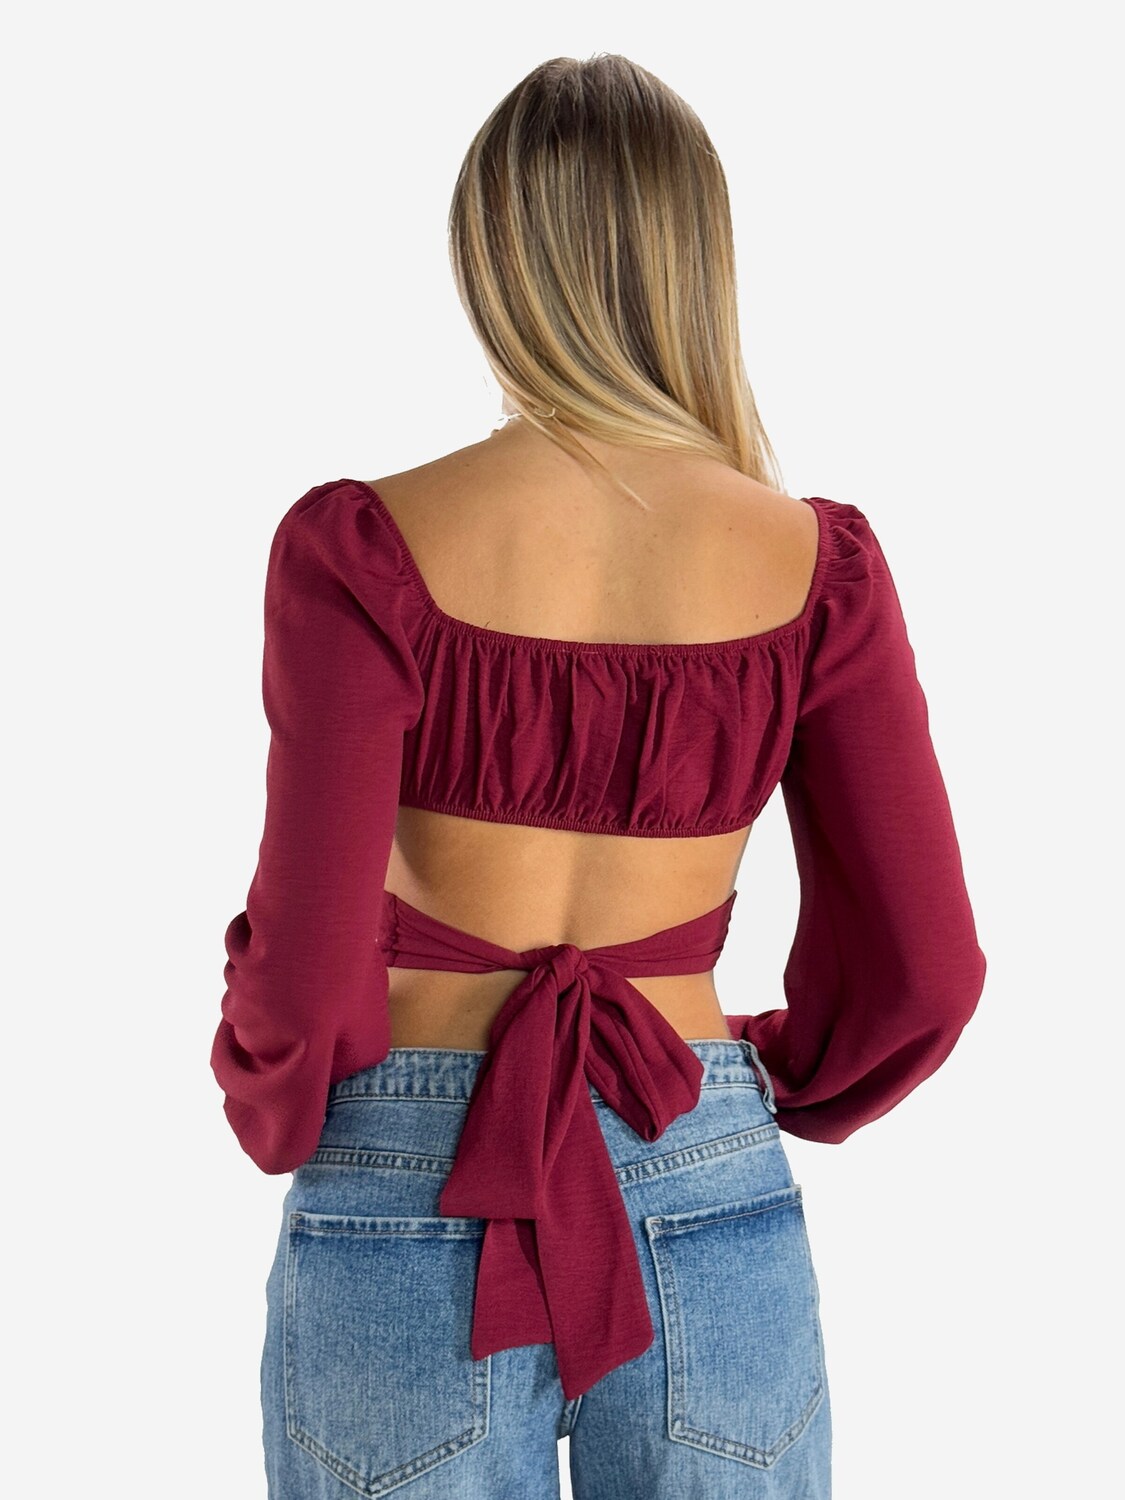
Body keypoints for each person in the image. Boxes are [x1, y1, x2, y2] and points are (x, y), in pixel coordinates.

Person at [210, 53, 987, 1500]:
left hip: (410, 1174)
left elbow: (309, 974)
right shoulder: (815, 564)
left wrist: (275, 1098)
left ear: (491, 258)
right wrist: (748, 1079)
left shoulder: (363, 546)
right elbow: (927, 968)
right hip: (697, 1146)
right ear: (698, 261)